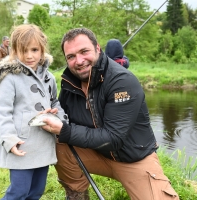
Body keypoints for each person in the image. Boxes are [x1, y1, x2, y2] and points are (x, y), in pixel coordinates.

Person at [41, 28, 179, 200]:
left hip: (135, 159)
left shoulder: (121, 81)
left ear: (98, 48)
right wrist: (54, 115)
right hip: (97, 154)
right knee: (58, 144)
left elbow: (113, 138)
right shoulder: (69, 83)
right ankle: (76, 194)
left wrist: (65, 130)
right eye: (71, 56)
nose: (79, 61)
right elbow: (65, 116)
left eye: (84, 51)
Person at [0, 24, 68, 200]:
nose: (29, 56)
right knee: (19, 191)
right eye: (23, 50)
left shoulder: (49, 77)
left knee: (36, 191)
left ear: (42, 49)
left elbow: (55, 101)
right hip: (21, 144)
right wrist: (9, 140)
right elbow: (2, 111)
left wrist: (57, 116)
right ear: (14, 50)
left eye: (35, 50)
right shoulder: (10, 78)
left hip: (43, 143)